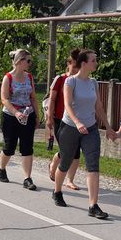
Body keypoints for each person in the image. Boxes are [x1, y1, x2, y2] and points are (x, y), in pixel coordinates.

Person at [53, 49, 116, 217]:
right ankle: (57, 191)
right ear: (84, 63)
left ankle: (93, 205)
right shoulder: (70, 81)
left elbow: (98, 106)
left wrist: (108, 127)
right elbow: (67, 105)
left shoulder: (93, 83)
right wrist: (77, 122)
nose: (96, 63)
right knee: (65, 162)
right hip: (70, 127)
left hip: (91, 128)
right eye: (93, 60)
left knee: (93, 165)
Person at [0, 49, 39, 190]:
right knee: (9, 147)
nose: (30, 63)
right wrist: (16, 113)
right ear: (19, 61)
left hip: (28, 115)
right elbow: (4, 99)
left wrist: (37, 116)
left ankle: (27, 178)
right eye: (28, 60)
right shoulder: (8, 78)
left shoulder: (29, 77)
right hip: (10, 116)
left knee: (27, 147)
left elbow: (33, 97)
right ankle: (2, 168)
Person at [47, 49, 83, 192]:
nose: (75, 69)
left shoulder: (81, 81)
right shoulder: (60, 79)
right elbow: (52, 99)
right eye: (73, 65)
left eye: (78, 66)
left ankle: (70, 180)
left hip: (76, 120)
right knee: (66, 150)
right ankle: (53, 165)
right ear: (68, 64)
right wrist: (49, 117)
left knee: (76, 151)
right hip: (59, 119)